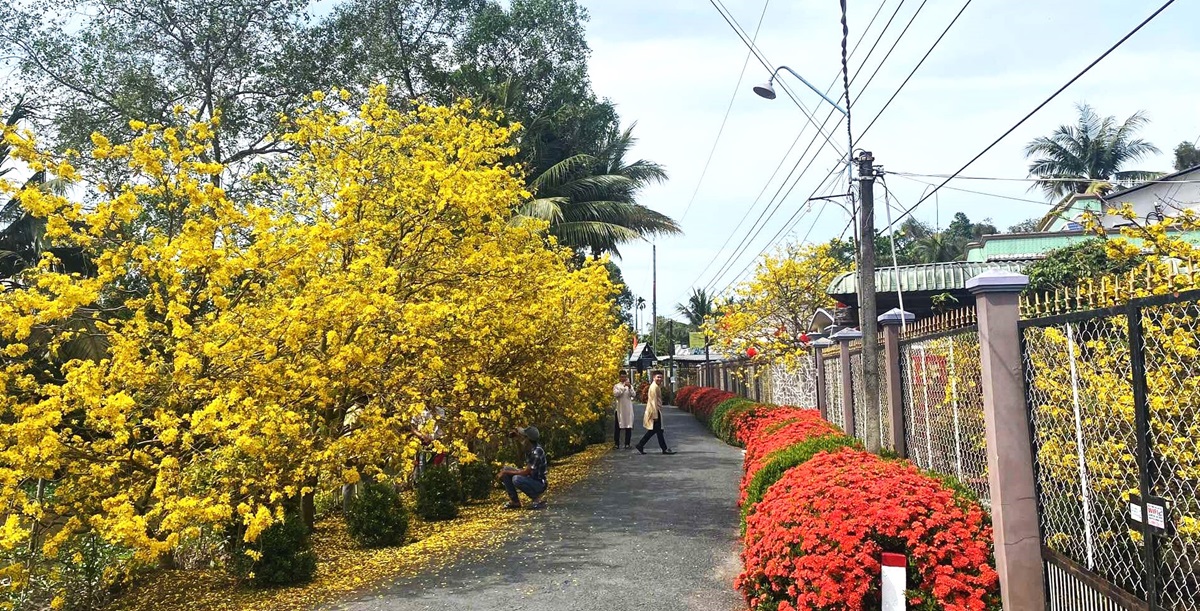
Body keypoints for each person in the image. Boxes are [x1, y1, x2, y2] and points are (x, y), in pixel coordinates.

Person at [496, 426, 548, 509]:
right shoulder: (529, 447)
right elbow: (520, 438)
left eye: (523, 436)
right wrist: (515, 434)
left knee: (516, 479)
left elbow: (526, 472)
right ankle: (515, 502)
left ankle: (537, 500)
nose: (521, 438)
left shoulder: (536, 451)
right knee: (506, 469)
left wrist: (505, 473)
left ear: (528, 439)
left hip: (539, 483)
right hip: (531, 478)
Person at [636, 372, 676, 455]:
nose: (660, 379)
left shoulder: (656, 386)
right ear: (653, 377)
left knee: (657, 431)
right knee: (657, 430)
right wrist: (655, 415)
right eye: (658, 377)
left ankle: (641, 445)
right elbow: (653, 401)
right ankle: (663, 449)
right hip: (655, 410)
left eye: (661, 377)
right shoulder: (654, 387)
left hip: (656, 410)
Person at [612, 372, 635, 449]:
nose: (623, 378)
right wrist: (623, 388)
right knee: (617, 427)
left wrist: (630, 387)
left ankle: (627, 443)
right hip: (619, 409)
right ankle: (616, 444)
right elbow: (616, 394)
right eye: (622, 377)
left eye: (625, 377)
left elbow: (633, 394)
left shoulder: (629, 386)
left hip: (628, 409)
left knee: (628, 426)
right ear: (619, 377)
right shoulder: (616, 386)